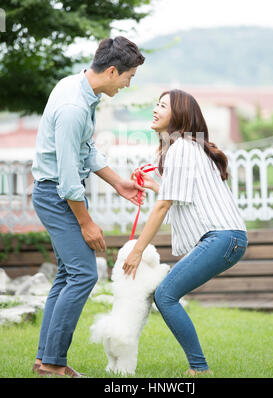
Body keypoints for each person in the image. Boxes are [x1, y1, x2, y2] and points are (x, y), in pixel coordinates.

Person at [31, 36, 145, 378]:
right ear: (112, 71)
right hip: (57, 196)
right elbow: (67, 178)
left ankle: (45, 360)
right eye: (129, 77)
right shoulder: (73, 108)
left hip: (58, 193)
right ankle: (53, 363)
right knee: (83, 274)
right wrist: (86, 223)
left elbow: (86, 149)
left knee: (69, 273)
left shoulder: (79, 89)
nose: (128, 84)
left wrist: (118, 181)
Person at [123, 89, 248, 376]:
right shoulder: (188, 146)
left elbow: (164, 206)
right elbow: (175, 197)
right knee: (167, 295)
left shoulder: (182, 147)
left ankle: (199, 369)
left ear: (178, 114)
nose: (155, 109)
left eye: (162, 105)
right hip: (227, 238)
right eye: (156, 103)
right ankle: (198, 367)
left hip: (222, 237)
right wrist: (155, 187)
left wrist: (137, 250)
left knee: (165, 295)